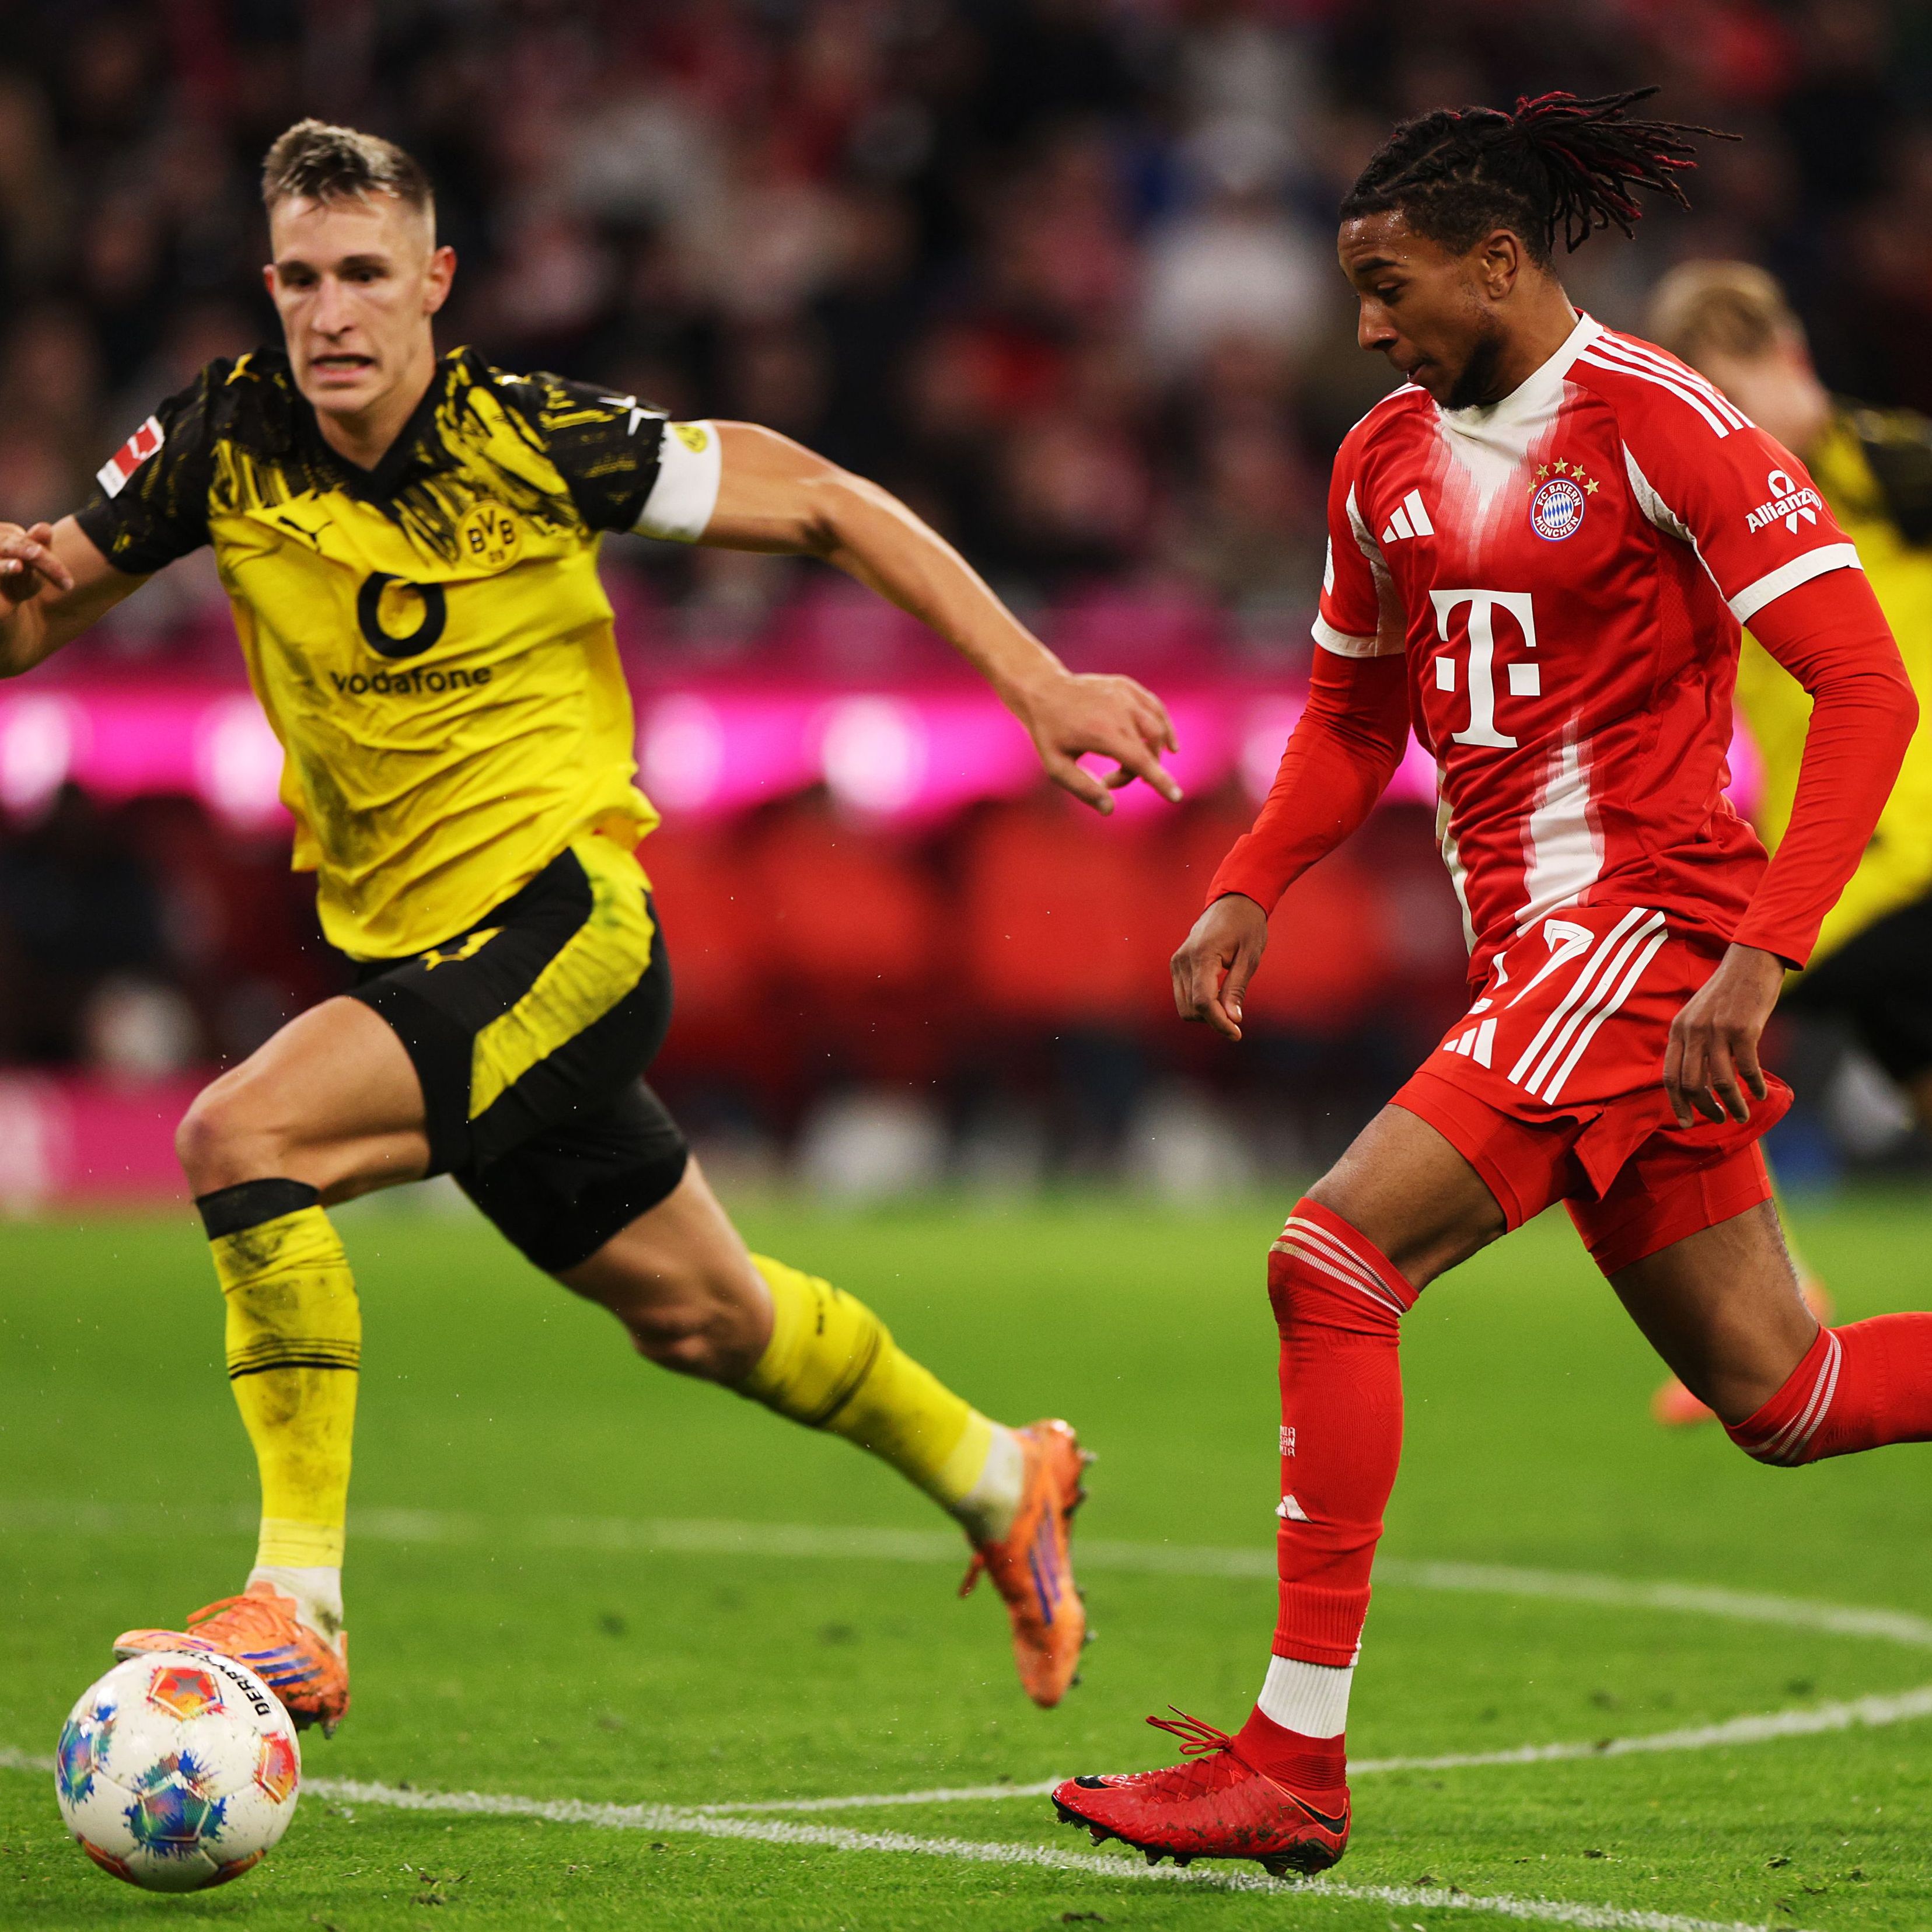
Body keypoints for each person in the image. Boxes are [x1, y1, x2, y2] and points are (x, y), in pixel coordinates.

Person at [0, 121, 1183, 1735]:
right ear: (270, 288)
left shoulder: (533, 438)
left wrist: (1036, 682)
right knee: (707, 1318)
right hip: (416, 963)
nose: (333, 313)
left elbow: (827, 504)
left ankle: (296, 1603)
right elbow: (39, 615)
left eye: (366, 275)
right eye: (303, 278)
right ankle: (999, 1474)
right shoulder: (223, 438)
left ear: (435, 281)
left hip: (563, 933)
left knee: (240, 1136)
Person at [1051, 90, 1921, 1877]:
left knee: (1331, 1262)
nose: (1370, 326)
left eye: (1392, 287)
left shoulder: (1666, 425)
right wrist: (1250, 880)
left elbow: (1865, 688)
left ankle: (1292, 1759)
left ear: (1500, 263)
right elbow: (1350, 716)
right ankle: (1292, 1763)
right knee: (1787, 1396)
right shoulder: (1380, 457)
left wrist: (1761, 954)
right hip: (1544, 956)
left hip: (1649, 929)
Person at [1639, 261, 1932, 1424]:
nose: (1717, 422)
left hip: (1897, 861)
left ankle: (1776, 1295)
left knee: (1672, 1023)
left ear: (1790, 361)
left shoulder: (1886, 468)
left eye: (1730, 389)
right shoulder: (1710, 512)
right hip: (1842, 860)